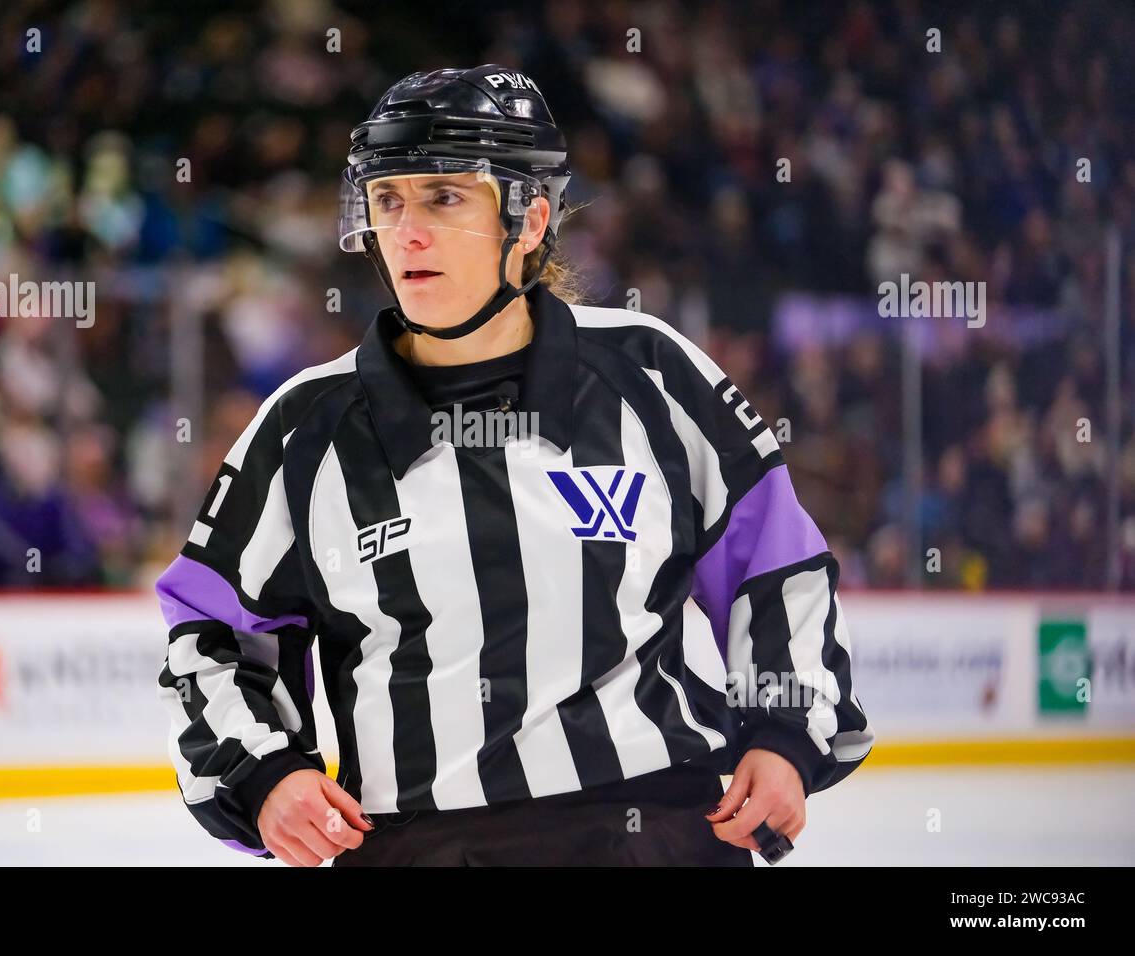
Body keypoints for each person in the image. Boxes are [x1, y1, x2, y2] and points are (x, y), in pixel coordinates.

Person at [155, 64, 873, 867]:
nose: (407, 232)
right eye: (389, 200)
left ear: (529, 221)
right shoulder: (304, 427)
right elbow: (214, 627)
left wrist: (784, 733)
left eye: (444, 198)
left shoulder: (652, 375)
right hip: (425, 848)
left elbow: (775, 567)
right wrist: (265, 775)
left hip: (658, 831)